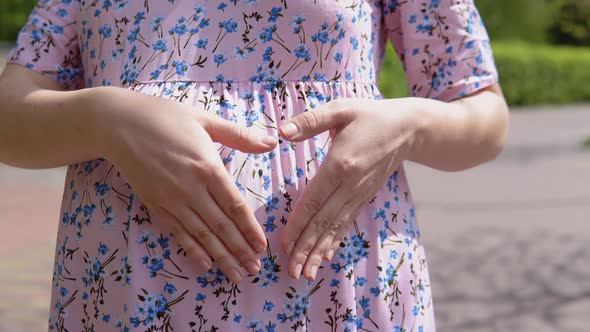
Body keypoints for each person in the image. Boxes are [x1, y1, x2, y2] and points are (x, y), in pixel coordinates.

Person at [0, 0, 509, 331]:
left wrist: (409, 125)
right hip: (126, 298)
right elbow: (10, 119)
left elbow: (483, 116)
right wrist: (107, 118)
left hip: (342, 297)